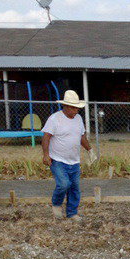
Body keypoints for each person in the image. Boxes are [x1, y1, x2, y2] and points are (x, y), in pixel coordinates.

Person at [42, 90, 96, 221]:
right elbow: (46, 137)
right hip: (58, 160)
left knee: (74, 188)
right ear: (65, 106)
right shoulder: (55, 119)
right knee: (63, 184)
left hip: (74, 161)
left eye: (77, 108)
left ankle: (72, 213)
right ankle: (56, 204)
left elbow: (81, 136)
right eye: (73, 108)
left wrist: (90, 150)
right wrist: (46, 155)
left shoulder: (78, 119)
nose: (76, 110)